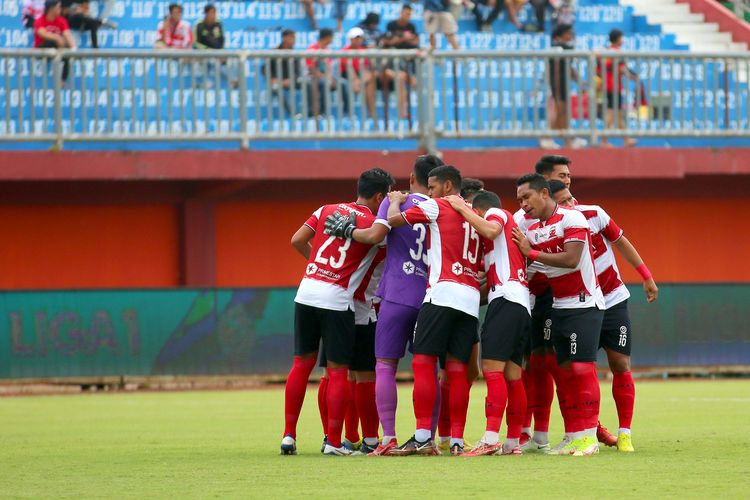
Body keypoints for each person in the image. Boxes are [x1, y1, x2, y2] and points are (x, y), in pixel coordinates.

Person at [326, 154, 443, 455]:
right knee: (428, 368)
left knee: (385, 367)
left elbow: (376, 235)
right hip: (430, 296)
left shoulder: (396, 202)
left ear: (412, 177)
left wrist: (350, 228)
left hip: (396, 294)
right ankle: (426, 435)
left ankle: (388, 437)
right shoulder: (440, 209)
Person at [280, 167, 395, 457]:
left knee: (301, 366)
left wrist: (318, 270)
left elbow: (296, 240)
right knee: (339, 372)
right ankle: (334, 441)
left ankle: (289, 437)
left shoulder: (325, 209)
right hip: (339, 299)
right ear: (380, 196)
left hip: (306, 292)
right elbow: (375, 236)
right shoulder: (374, 224)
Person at [549, 179, 658, 452]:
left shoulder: (594, 214)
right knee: (576, 370)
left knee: (620, 363)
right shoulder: (550, 230)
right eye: (563, 202)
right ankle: (584, 431)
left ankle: (625, 433)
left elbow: (622, 242)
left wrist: (645, 275)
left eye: (571, 198)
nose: (571, 204)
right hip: (581, 306)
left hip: (612, 299)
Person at [386, 165, 483, 456]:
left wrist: (394, 201)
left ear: (448, 186)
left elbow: (393, 221)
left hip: (442, 293)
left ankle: (422, 436)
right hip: (470, 299)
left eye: (432, 186)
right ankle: (455, 440)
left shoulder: (437, 206)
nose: (428, 192)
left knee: (423, 362)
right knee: (456, 369)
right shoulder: (475, 213)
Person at [512, 173, 605, 457]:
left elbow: (572, 260)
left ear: (543, 193)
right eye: (519, 200)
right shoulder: (534, 229)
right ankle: (574, 435)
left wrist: (532, 253)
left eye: (526, 197)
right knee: (565, 372)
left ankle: (589, 438)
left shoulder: (571, 219)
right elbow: (529, 269)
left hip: (584, 303)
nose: (523, 204)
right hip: (560, 307)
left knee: (580, 369)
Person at [445, 190, 531, 456]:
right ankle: (512, 442)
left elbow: (490, 229)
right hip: (521, 305)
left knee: (493, 371)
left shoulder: (495, 214)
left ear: (479, 210)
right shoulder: (502, 242)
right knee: (513, 377)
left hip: (505, 300)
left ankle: (491, 437)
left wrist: (461, 208)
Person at [599, 29, 639, 148]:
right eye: (621, 38)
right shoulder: (616, 52)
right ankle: (604, 141)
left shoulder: (606, 52)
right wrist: (632, 77)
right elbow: (622, 69)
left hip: (607, 84)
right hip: (614, 86)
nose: (623, 40)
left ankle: (626, 139)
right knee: (611, 113)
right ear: (617, 39)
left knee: (619, 114)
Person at [380, 4, 420, 119]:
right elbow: (388, 41)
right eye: (406, 13)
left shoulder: (411, 26)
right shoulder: (391, 25)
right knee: (402, 78)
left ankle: (408, 111)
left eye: (410, 14)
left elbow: (415, 41)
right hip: (393, 60)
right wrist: (403, 38)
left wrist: (401, 38)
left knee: (412, 80)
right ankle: (403, 111)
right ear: (401, 13)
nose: (408, 16)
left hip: (407, 60)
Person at [34, 0, 76, 82]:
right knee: (51, 42)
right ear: (51, 9)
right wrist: (57, 38)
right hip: (42, 49)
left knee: (68, 53)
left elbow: (67, 35)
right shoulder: (40, 20)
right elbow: (42, 33)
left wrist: (74, 48)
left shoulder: (62, 21)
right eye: (58, 7)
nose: (60, 9)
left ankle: (63, 80)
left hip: (57, 49)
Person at [341, 27, 377, 119]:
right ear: (351, 39)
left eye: (360, 37)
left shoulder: (363, 51)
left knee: (370, 80)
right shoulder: (345, 51)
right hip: (347, 75)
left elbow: (364, 69)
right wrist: (355, 80)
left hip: (359, 76)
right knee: (369, 81)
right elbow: (348, 68)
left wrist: (358, 81)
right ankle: (371, 114)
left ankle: (372, 115)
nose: (358, 40)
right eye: (356, 37)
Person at [305, 28, 336, 117]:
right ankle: (323, 113)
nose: (332, 40)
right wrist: (324, 78)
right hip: (312, 77)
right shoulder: (312, 49)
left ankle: (347, 114)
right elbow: (311, 68)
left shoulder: (327, 50)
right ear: (327, 37)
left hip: (325, 77)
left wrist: (330, 78)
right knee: (324, 83)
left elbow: (329, 67)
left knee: (343, 84)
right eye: (331, 38)